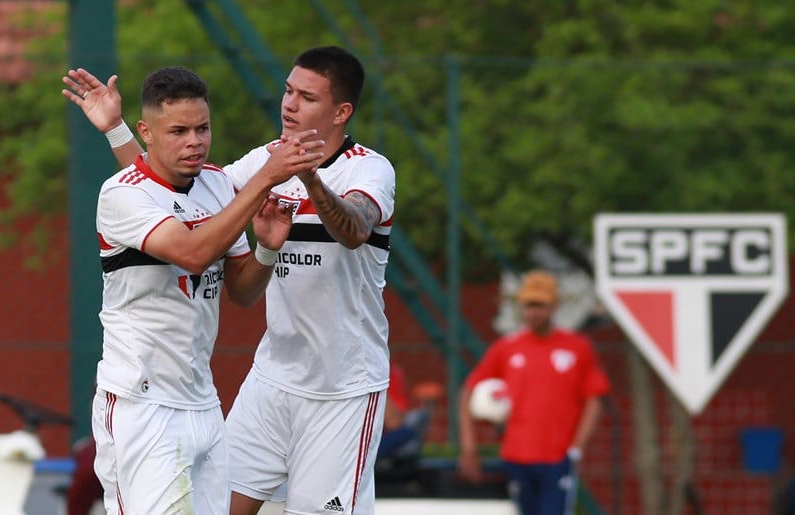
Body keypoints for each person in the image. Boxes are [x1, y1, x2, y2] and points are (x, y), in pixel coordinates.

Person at [63, 46, 396, 515]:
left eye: (306, 96)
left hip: (340, 386)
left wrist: (310, 183)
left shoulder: (369, 168)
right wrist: (118, 131)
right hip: (266, 378)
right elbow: (168, 188)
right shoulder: (263, 163)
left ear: (340, 112)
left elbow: (356, 229)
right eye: (287, 90)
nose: (289, 104)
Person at [458, 270, 611, 515]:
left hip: (557, 458)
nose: (534, 312)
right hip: (516, 456)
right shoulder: (508, 347)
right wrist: (469, 446)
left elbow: (595, 399)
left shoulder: (577, 347)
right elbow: (469, 390)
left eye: (540, 305)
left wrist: (577, 447)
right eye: (529, 305)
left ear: (554, 307)